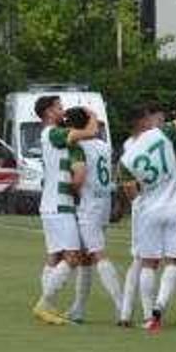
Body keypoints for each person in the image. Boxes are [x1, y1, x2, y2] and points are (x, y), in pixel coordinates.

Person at [117, 103, 176, 332]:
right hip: (174, 205)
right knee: (175, 260)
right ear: (144, 121)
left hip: (148, 209)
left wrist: (139, 203)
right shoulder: (160, 133)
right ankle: (160, 307)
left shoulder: (125, 158)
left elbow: (129, 188)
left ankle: (147, 315)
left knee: (148, 263)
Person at [31, 96, 99, 325]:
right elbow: (90, 132)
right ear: (49, 112)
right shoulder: (52, 133)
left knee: (55, 257)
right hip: (59, 205)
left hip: (54, 204)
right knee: (73, 256)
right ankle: (43, 303)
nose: (63, 111)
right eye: (59, 107)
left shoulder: (51, 134)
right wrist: (92, 116)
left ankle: (48, 306)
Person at [63, 107, 125, 324]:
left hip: (89, 203)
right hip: (104, 201)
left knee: (97, 254)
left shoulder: (77, 145)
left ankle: (121, 307)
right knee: (85, 257)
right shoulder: (103, 145)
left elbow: (78, 178)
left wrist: (68, 190)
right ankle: (79, 308)